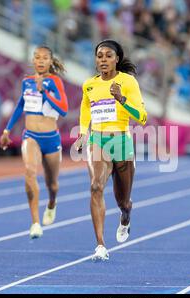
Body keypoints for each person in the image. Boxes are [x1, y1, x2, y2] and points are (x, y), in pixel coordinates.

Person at [73, 39, 147, 261]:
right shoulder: (89, 85)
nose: (103, 59)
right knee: (96, 186)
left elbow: (142, 118)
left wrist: (121, 99)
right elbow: (86, 108)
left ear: (117, 59)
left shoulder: (128, 82)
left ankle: (126, 216)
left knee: (122, 201)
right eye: (99, 55)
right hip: (98, 141)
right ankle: (100, 245)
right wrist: (83, 134)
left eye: (108, 55)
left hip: (121, 142)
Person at [0, 46, 69, 238]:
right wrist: (7, 130)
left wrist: (44, 91)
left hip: (51, 138)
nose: (40, 61)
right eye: (37, 57)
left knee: (52, 184)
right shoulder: (26, 81)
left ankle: (52, 203)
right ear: (33, 61)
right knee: (30, 171)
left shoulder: (55, 82)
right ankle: (35, 223)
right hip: (31, 136)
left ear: (50, 61)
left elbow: (63, 109)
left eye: (44, 58)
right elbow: (20, 105)